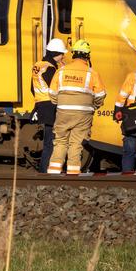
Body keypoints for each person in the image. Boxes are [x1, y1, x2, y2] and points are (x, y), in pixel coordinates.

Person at [47, 39, 106, 175]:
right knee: (76, 143)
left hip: (63, 112)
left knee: (60, 142)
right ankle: (73, 174)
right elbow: (101, 95)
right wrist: (93, 106)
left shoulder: (61, 71)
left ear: (73, 54)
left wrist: (60, 103)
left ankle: (53, 174)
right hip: (83, 114)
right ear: (87, 56)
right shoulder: (92, 73)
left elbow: (52, 93)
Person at [30, 38, 68, 172]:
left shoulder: (38, 65)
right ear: (56, 53)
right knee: (51, 142)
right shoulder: (51, 68)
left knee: (48, 141)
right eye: (62, 53)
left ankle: (45, 170)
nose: (63, 56)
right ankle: (45, 171)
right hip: (51, 106)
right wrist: (63, 71)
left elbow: (32, 88)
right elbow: (56, 88)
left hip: (41, 105)